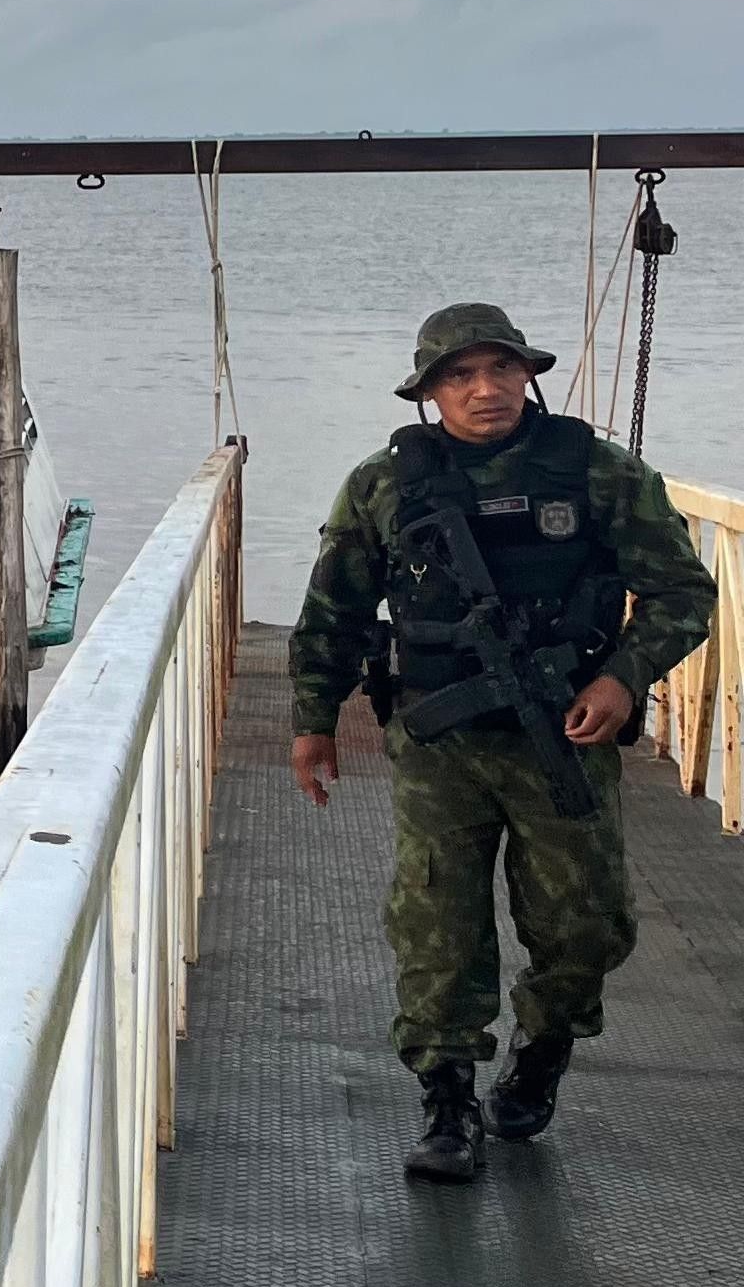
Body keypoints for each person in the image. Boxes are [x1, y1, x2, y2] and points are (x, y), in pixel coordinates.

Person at [287, 304, 713, 1185]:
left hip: (565, 732)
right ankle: (447, 1101)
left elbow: (682, 591)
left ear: (528, 374)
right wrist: (312, 718)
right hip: (439, 742)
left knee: (586, 922)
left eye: (501, 370)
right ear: (429, 391)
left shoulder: (597, 470)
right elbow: (334, 606)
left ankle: (545, 1045)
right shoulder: (385, 484)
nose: (486, 390)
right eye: (460, 376)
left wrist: (622, 677)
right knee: (435, 919)